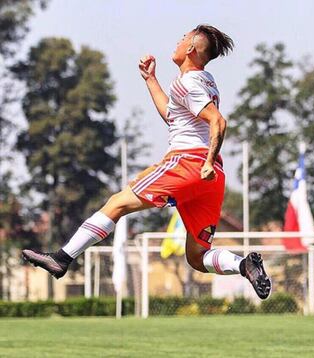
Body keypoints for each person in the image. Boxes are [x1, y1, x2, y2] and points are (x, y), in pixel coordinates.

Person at [23, 24, 271, 300]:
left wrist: (207, 161)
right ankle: (243, 264)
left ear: (189, 48)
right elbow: (173, 115)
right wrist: (151, 79)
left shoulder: (186, 82)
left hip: (189, 163)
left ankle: (61, 258)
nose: (177, 42)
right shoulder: (204, 79)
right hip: (211, 179)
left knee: (116, 203)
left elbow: (218, 122)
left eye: (182, 38)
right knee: (197, 256)